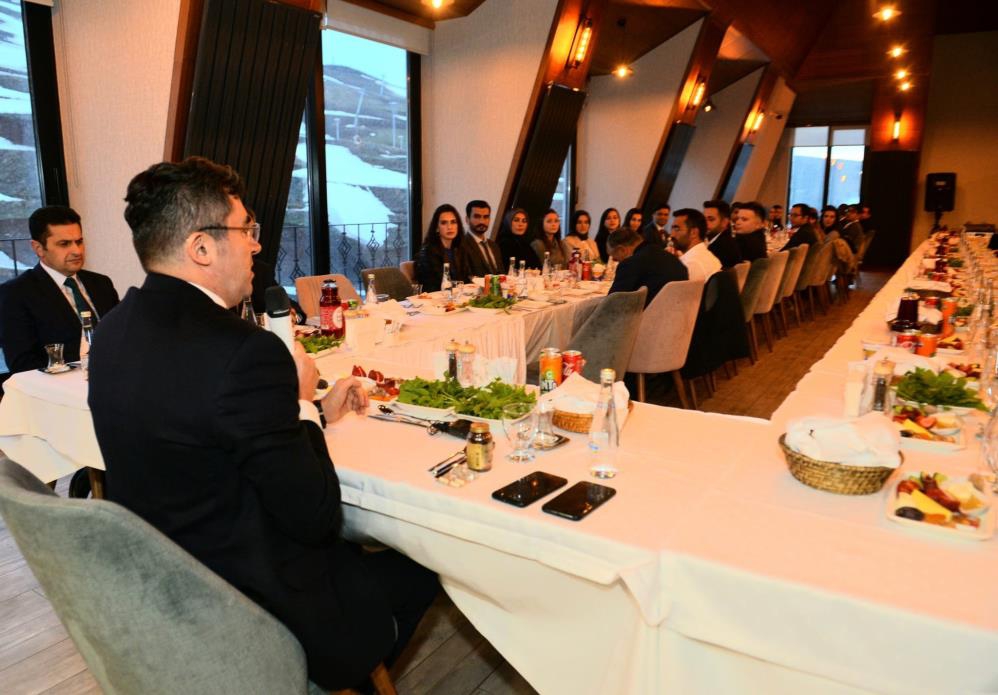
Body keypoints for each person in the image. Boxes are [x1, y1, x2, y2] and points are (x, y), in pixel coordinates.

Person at [88, 157, 438, 692]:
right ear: (201, 248)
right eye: (246, 229)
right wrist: (298, 402)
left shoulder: (114, 330)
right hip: (256, 602)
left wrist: (313, 411)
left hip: (166, 579)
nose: (255, 246)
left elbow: (203, 430)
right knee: (424, 563)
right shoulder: (245, 351)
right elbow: (315, 517)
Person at [0, 205, 119, 384]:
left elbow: (121, 336)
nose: (77, 251)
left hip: (117, 382)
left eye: (79, 241)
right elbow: (22, 364)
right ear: (38, 248)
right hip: (60, 390)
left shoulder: (101, 283)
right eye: (64, 244)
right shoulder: (16, 293)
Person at [607, 227, 688, 307]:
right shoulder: (668, 256)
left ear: (621, 250)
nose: (617, 261)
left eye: (615, 258)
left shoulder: (630, 263)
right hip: (679, 311)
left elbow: (611, 304)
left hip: (651, 313)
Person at [415, 204, 469, 292]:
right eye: (444, 223)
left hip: (457, 296)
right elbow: (435, 285)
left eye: (453, 222)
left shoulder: (460, 249)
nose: (450, 227)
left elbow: (465, 279)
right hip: (436, 297)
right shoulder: (428, 252)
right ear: (437, 227)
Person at [670, 208, 720, 282]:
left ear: (693, 233)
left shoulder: (691, 264)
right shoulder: (705, 255)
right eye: (672, 229)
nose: (672, 235)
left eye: (677, 229)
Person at [462, 199, 502, 277]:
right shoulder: (462, 245)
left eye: (486, 217)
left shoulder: (494, 246)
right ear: (467, 219)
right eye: (477, 217)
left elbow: (501, 274)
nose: (482, 221)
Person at [702, 199, 742, 269]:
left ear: (724, 222)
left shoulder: (724, 247)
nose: (704, 223)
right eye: (703, 219)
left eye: (711, 219)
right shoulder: (711, 239)